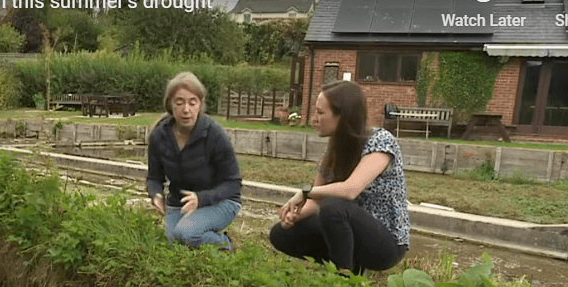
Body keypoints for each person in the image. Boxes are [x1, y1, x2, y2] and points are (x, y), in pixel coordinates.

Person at [269, 80, 409, 274]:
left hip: (386, 243)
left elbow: (350, 190)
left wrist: (305, 193)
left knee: (334, 207)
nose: (314, 119)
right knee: (280, 234)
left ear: (342, 116)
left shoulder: (380, 141)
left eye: (320, 112)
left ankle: (343, 278)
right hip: (345, 228)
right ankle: (343, 264)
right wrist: (294, 215)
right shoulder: (335, 147)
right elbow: (316, 200)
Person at [147, 71, 242, 251]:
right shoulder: (159, 135)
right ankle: (201, 251)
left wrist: (201, 198)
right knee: (173, 244)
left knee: (188, 233)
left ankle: (225, 244)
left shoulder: (214, 134)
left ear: (200, 104)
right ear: (170, 104)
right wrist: (156, 195)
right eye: (179, 102)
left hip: (221, 201)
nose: (186, 110)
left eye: (192, 102)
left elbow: (233, 182)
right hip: (180, 202)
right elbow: (153, 177)